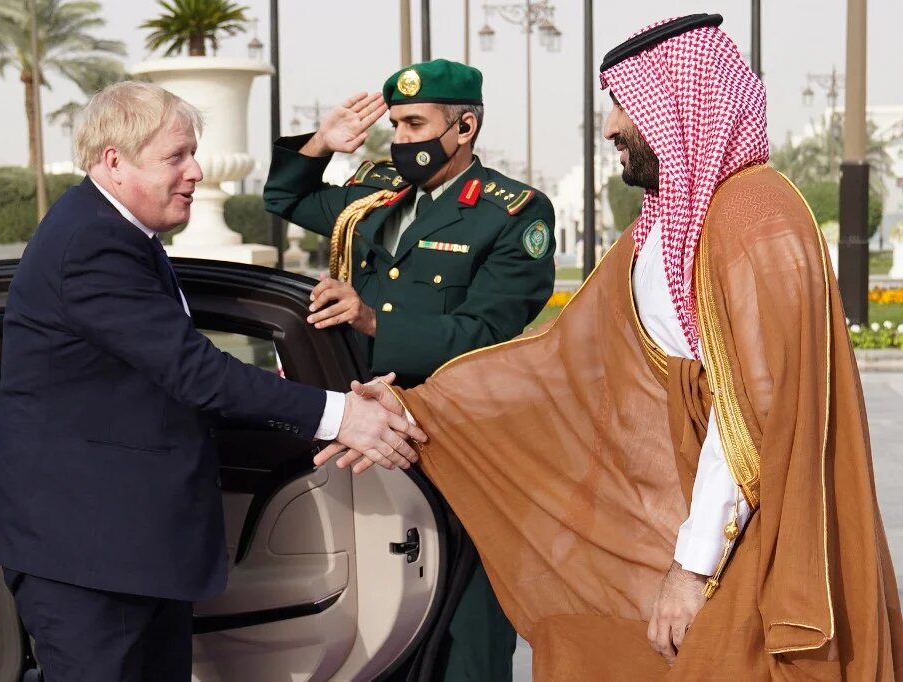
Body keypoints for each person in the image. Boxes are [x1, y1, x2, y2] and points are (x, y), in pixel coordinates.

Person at [320, 15, 903, 679]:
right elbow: (558, 363)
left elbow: (751, 415)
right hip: (675, 518)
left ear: (679, 106)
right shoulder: (661, 231)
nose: (610, 128)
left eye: (625, 105)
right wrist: (407, 408)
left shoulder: (752, 219)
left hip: (748, 536)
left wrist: (691, 567)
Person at [0, 81, 424, 681]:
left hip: (122, 548)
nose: (196, 171)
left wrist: (335, 401)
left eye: (193, 153)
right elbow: (196, 372)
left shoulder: (121, 235)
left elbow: (170, 380)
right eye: (176, 156)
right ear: (114, 161)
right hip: (87, 554)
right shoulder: (92, 243)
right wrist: (343, 416)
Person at [264, 59, 555, 681]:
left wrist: (373, 321)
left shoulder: (512, 212)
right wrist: (321, 143)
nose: (401, 140)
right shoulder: (376, 193)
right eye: (395, 124)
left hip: (455, 444)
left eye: (416, 124)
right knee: (376, 617)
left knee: (465, 630)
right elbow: (283, 195)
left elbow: (489, 333)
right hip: (365, 443)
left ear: (465, 126)